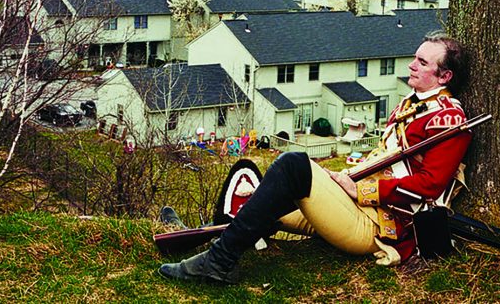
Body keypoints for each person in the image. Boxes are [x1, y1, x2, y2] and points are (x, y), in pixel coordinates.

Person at [158, 31, 472, 283]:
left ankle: (218, 262)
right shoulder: (411, 102)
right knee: (256, 196)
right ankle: (202, 241)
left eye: (421, 62)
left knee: (293, 166)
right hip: (357, 205)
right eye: (415, 58)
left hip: (379, 226)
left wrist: (361, 189)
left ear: (444, 77)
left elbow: (430, 186)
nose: (411, 66)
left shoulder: (447, 119)